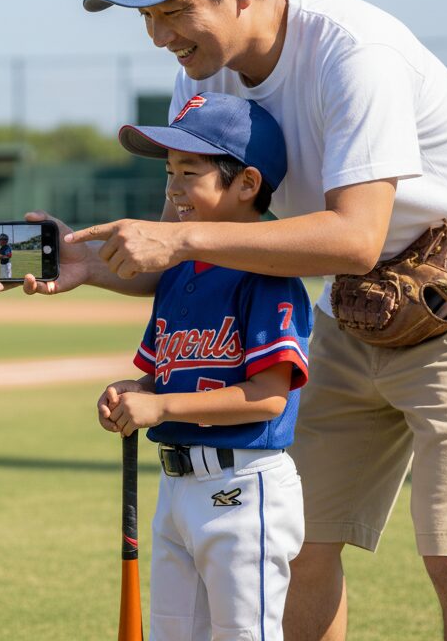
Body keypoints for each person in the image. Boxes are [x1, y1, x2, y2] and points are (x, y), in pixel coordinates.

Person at [0, 0, 447, 641]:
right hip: (355, 306)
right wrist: (88, 263)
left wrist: (180, 244)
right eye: (146, 18)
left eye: (173, 10)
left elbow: (354, 234)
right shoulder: (200, 77)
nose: (159, 37)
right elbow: (180, 248)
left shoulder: (356, 53)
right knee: (301, 543)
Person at [96, 91, 312, 641]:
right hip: (176, 487)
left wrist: (160, 403)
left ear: (245, 184)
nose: (172, 187)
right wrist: (137, 390)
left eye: (189, 171)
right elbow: (166, 373)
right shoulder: (179, 271)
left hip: (243, 487)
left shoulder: (268, 274)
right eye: (169, 171)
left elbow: (268, 396)